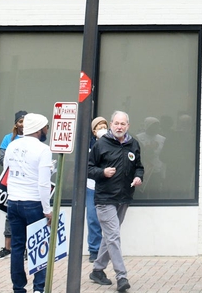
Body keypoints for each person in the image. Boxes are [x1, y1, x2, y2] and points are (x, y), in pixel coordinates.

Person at [86, 111, 144, 292]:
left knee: (111, 236)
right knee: (113, 236)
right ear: (111, 124)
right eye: (116, 123)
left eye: (123, 124)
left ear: (128, 125)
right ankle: (122, 276)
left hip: (124, 197)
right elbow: (88, 169)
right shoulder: (100, 144)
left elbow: (139, 167)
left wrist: (138, 177)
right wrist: (102, 173)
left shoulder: (133, 144)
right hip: (105, 198)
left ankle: (97, 270)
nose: (119, 127)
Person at [4, 113, 53, 293]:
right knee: (39, 245)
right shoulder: (43, 150)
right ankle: (38, 288)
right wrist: (47, 209)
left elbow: (6, 171)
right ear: (39, 129)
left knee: (17, 246)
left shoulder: (12, 145)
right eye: (46, 127)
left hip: (14, 201)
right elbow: (43, 183)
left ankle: (18, 287)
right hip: (33, 202)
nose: (47, 130)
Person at [0, 110, 27, 260]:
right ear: (16, 123)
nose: (23, 124)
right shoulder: (8, 139)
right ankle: (7, 248)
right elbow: (2, 160)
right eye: (20, 121)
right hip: (11, 181)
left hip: (27, 183)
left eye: (26, 121)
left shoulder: (33, 139)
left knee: (27, 214)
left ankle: (26, 248)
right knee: (10, 214)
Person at [86, 116, 109, 262]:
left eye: (104, 126)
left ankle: (106, 250)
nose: (102, 129)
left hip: (107, 186)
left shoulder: (112, 144)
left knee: (108, 220)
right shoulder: (88, 145)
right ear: (94, 131)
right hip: (91, 186)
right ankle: (94, 250)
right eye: (99, 127)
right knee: (93, 218)